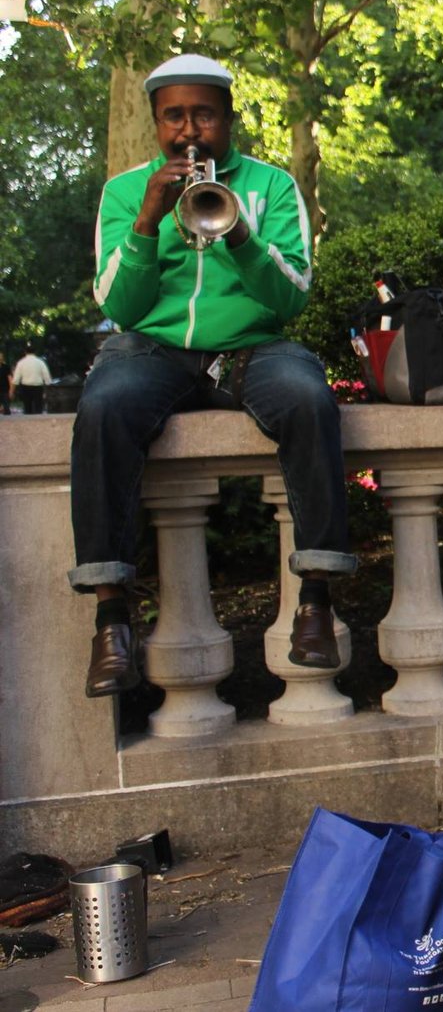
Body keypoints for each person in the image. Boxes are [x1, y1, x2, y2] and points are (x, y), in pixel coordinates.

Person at [72, 53, 356, 698]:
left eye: (203, 114)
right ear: (156, 123)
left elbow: (292, 298)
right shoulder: (124, 191)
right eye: (174, 116)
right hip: (154, 348)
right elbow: (118, 305)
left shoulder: (271, 185)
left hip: (254, 346)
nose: (189, 130)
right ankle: (112, 619)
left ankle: (314, 602)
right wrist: (148, 219)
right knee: (105, 406)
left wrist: (238, 234)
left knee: (309, 400)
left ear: (228, 119)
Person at [11, 342, 51, 415]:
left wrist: (12, 391)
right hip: (38, 387)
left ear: (25, 352)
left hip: (25, 387)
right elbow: (46, 377)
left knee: (27, 407)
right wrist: (47, 388)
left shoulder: (21, 363)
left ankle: (28, 421)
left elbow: (16, 379)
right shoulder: (40, 362)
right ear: (35, 352)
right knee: (38, 407)